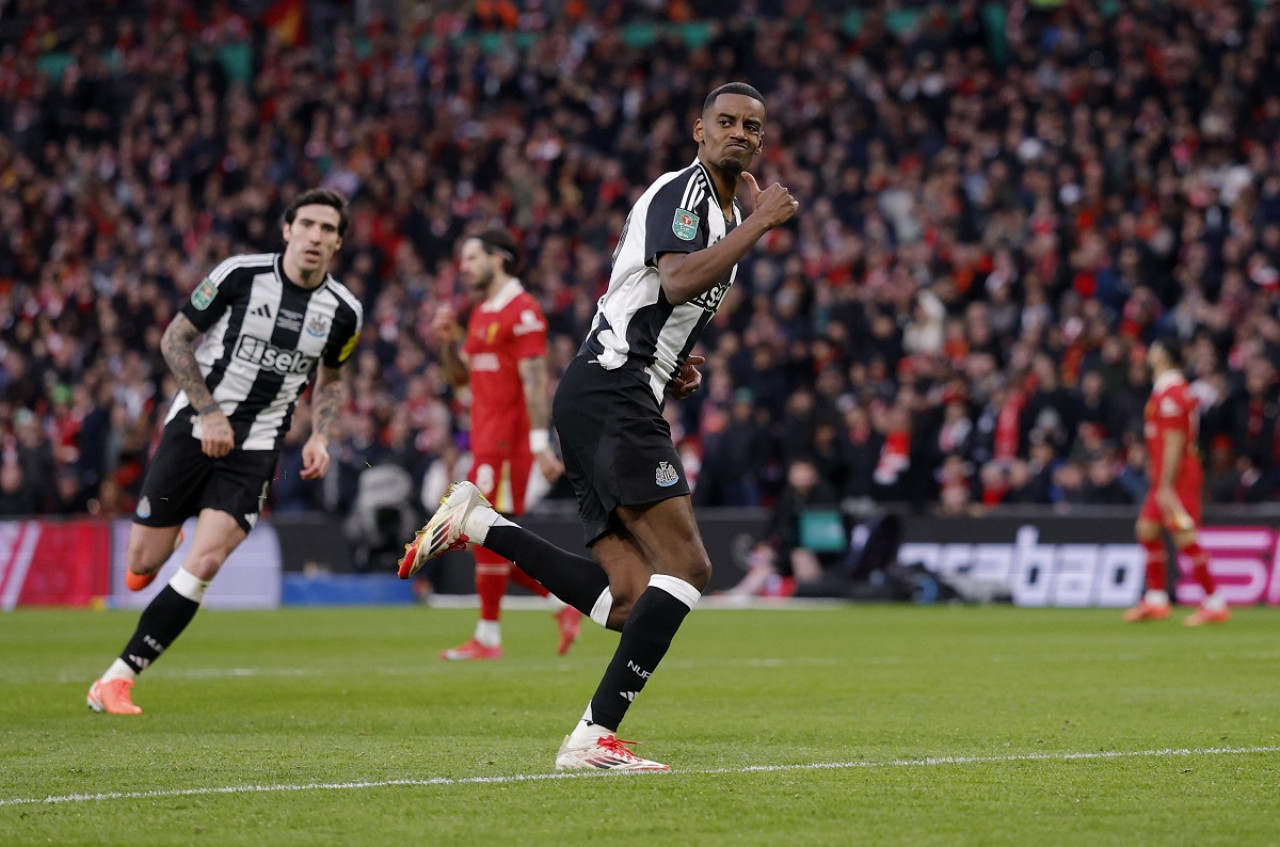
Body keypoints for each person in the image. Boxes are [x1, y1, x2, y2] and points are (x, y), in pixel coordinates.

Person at [400, 82, 799, 770]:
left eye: (752, 127)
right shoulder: (690, 195)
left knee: (631, 601)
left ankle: (478, 523)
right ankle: (591, 736)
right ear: (697, 131)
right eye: (726, 122)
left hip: (606, 389)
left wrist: (671, 359)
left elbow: (638, 295)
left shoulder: (719, 207)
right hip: (612, 395)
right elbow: (673, 280)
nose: (740, 133)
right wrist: (759, 222)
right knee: (691, 566)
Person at [87, 188, 364, 714]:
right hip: (193, 429)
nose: (315, 236)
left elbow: (331, 379)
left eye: (328, 229)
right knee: (141, 564)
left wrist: (321, 435)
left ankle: (117, 678)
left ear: (338, 242)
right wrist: (209, 411)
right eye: (307, 224)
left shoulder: (344, 312)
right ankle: (167, 536)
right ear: (287, 230)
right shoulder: (240, 274)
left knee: (206, 560)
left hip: (257, 448)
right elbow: (174, 340)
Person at [426, 229, 580, 660]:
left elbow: (535, 384)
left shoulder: (523, 311)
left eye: (473, 257)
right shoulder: (480, 314)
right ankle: (559, 604)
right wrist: (446, 344)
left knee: (481, 532)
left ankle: (490, 636)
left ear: (500, 259)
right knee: (486, 538)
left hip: (510, 443)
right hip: (484, 439)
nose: (465, 266)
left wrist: (539, 445)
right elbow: (460, 379)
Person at [1124, 337, 1230, 626]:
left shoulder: (1172, 393)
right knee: (1146, 529)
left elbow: (1174, 441)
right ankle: (1157, 599)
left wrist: (1166, 484)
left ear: (1165, 357)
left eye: (1155, 348)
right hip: (1166, 475)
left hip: (1178, 476)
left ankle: (1214, 602)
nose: (1149, 352)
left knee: (1184, 535)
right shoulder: (1164, 390)